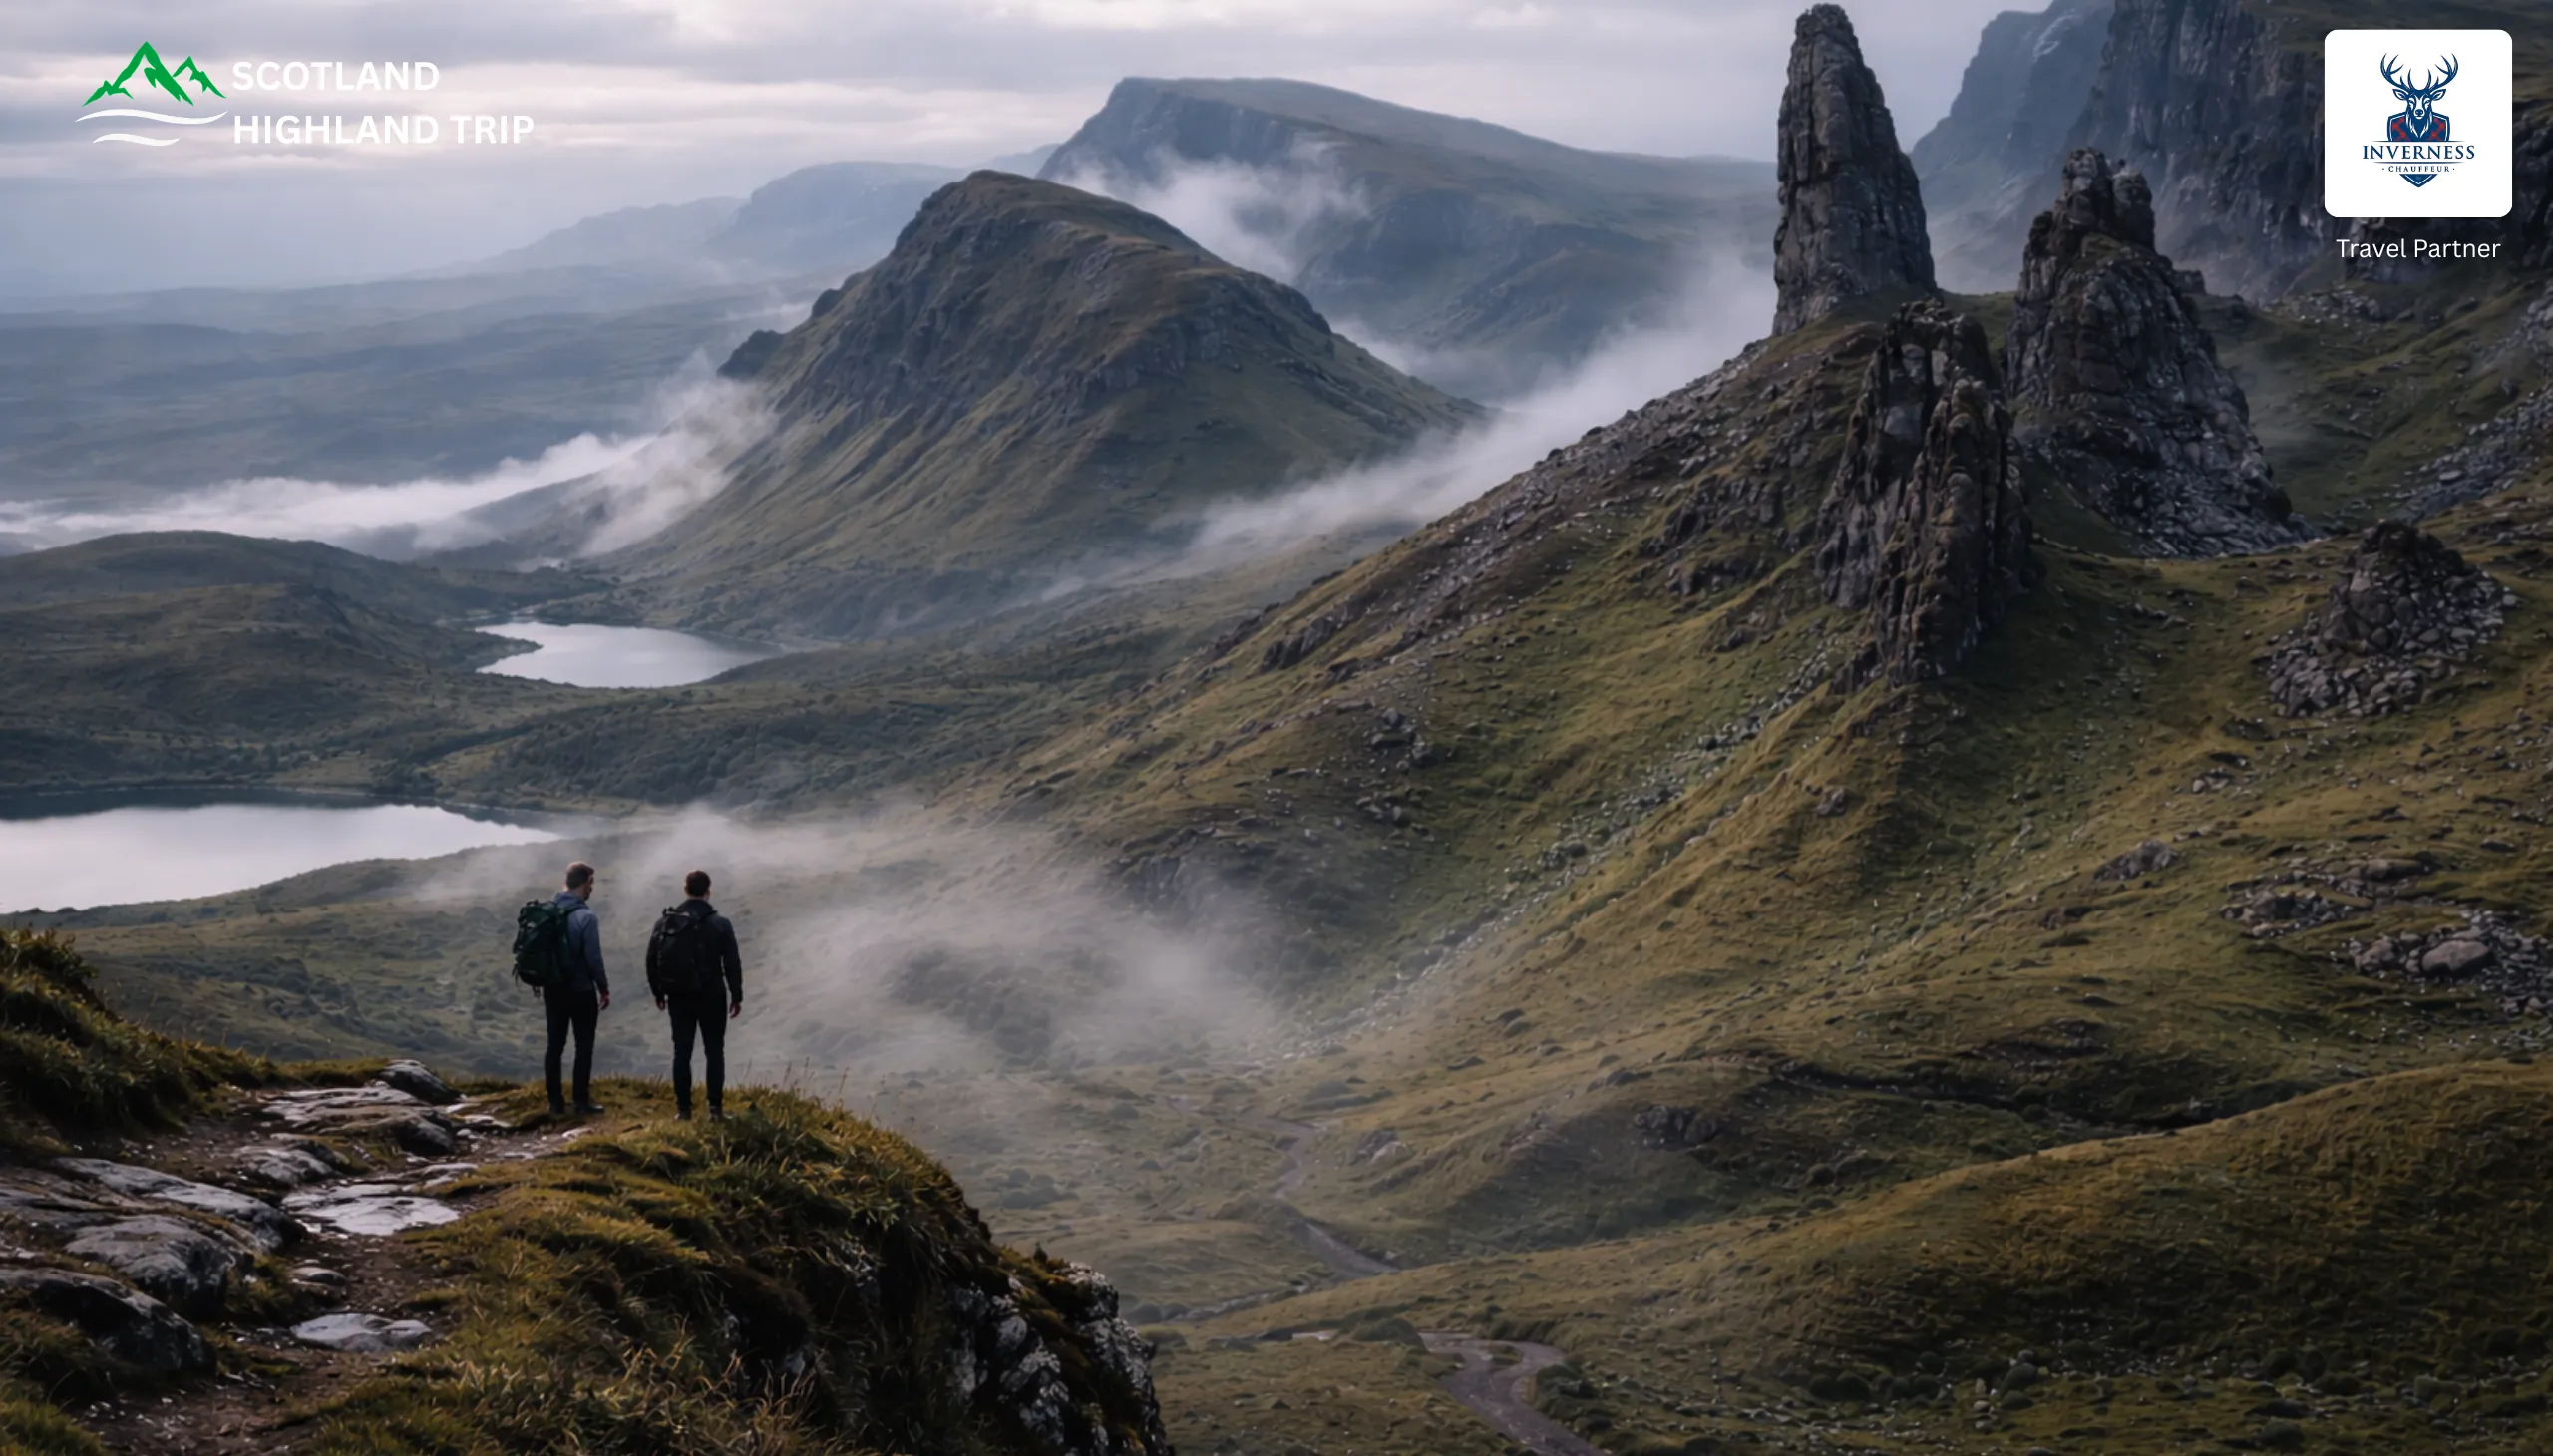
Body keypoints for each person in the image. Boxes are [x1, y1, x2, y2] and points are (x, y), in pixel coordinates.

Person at [646, 868, 744, 1121]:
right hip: (712, 995)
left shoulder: (667, 922)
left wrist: (658, 991)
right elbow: (732, 963)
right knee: (714, 1051)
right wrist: (736, 995)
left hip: (678, 995)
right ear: (708, 890)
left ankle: (683, 1110)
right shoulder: (720, 924)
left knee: (682, 1051)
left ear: (685, 889)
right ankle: (715, 1109)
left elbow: (651, 960)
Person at [545, 862, 612, 1116]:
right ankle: (581, 1102)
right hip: (581, 990)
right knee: (583, 1046)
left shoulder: (549, 911)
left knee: (555, 1045)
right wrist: (603, 988)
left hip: (553, 989)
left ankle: (555, 1102)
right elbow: (594, 958)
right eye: (591, 883)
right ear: (585, 883)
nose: (592, 888)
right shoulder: (586, 917)